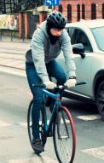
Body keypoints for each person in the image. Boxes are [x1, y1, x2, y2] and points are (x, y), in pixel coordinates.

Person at [25, 11, 77, 154]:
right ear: (48, 27)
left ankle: (53, 104)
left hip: (50, 62)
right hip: (33, 65)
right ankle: (36, 138)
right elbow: (38, 60)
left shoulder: (63, 34)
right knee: (38, 99)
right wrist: (45, 80)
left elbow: (68, 55)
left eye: (61, 30)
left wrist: (72, 76)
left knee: (62, 77)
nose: (58, 33)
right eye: (55, 30)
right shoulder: (39, 35)